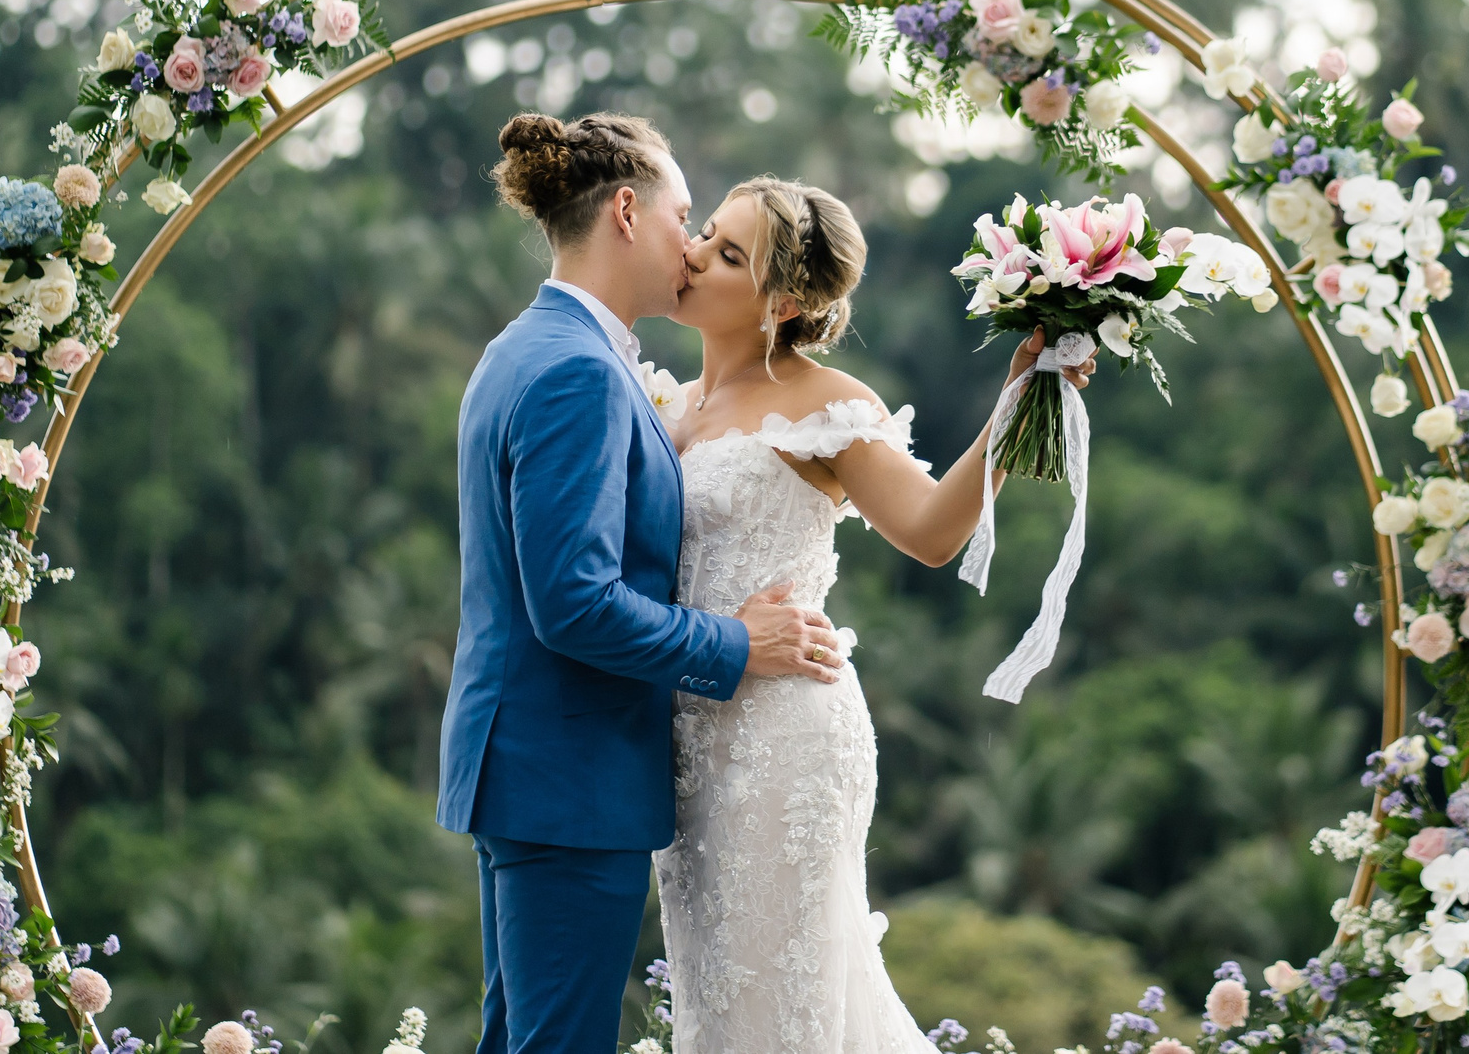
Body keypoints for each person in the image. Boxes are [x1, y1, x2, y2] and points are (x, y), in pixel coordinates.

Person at [654, 175, 1093, 1054]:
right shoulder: (666, 404)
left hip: (786, 735)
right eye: (706, 232)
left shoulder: (825, 404)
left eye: (728, 253)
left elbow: (933, 531)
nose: (695, 253)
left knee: (785, 1013)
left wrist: (1015, 408)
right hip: (692, 744)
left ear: (781, 301)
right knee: (720, 1011)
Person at [439, 113, 843, 1054]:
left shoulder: (526, 347)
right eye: (685, 214)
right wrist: (739, 643)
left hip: (537, 770)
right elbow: (573, 601)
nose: (692, 245)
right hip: (568, 779)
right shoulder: (577, 371)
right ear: (627, 210)